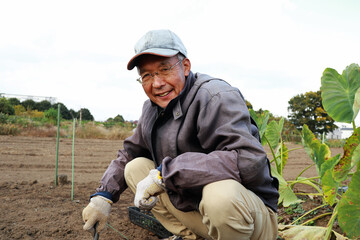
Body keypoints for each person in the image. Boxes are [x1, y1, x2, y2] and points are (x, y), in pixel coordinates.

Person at [82, 29, 279, 240]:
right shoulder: (151, 109)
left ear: (185, 67)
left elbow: (248, 161)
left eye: (164, 69)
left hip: (248, 220)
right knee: (135, 168)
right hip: (199, 213)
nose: (156, 83)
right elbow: (129, 153)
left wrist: (166, 174)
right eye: (146, 75)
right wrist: (103, 196)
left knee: (220, 196)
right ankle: (190, 236)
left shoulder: (215, 96)